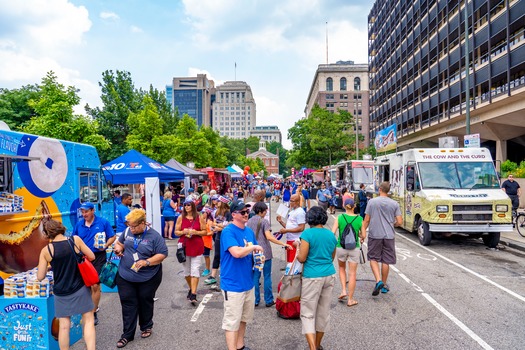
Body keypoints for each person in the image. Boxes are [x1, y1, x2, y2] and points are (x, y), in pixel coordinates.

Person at [37, 220, 96, 350]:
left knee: (64, 326)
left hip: (61, 292)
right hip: (80, 287)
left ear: (47, 234)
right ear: (61, 228)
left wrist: (49, 266)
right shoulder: (75, 240)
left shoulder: (46, 250)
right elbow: (91, 256)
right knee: (88, 320)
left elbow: (40, 277)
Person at [113, 209, 168, 348]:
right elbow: (119, 243)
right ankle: (127, 335)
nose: (131, 229)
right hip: (125, 274)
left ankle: (146, 326)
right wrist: (118, 249)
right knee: (128, 303)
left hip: (148, 277)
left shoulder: (155, 236)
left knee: (145, 300)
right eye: (130, 226)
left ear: (143, 223)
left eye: (134, 226)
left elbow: (162, 254)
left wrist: (147, 262)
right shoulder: (127, 232)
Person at [220, 200, 263, 350]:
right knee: (232, 321)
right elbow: (236, 252)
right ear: (233, 215)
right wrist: (254, 248)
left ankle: (240, 346)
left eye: (247, 212)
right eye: (243, 212)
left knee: (244, 318)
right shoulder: (228, 231)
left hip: (248, 281)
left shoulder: (249, 231)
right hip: (232, 284)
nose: (246, 214)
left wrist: (258, 257)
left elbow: (252, 252)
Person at [296, 206, 337, 350]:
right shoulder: (331, 235)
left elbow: (302, 258)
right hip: (329, 274)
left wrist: (298, 248)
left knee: (308, 313)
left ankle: (312, 347)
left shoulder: (307, 234)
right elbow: (332, 257)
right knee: (323, 312)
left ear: (309, 219)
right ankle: (318, 345)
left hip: (312, 276)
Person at [72, 202, 116, 326]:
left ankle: (93, 312)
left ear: (92, 210)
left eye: (86, 211)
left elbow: (112, 236)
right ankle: (86, 309)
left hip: (98, 256)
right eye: (82, 211)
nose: (84, 214)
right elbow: (73, 239)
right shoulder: (79, 224)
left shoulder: (103, 222)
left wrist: (106, 245)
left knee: (95, 285)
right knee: (85, 285)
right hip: (83, 258)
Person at [246, 202, 292, 307]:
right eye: (265, 210)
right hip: (265, 252)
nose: (266, 212)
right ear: (261, 211)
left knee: (255, 276)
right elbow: (269, 237)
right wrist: (282, 243)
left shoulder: (248, 221)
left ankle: (255, 300)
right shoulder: (264, 221)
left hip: (253, 251)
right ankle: (268, 300)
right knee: (267, 276)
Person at [362, 182, 402, 296]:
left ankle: (378, 280)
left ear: (379, 189)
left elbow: (366, 220)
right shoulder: (394, 203)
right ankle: (384, 285)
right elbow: (399, 221)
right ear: (388, 191)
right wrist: (391, 224)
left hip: (375, 234)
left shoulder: (372, 202)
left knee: (373, 258)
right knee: (386, 260)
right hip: (389, 235)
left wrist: (362, 233)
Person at [331, 198, 366, 307]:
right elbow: (363, 235)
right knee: (352, 274)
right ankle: (350, 299)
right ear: (354, 206)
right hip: (354, 248)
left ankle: (343, 291)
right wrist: (359, 236)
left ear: (344, 206)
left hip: (341, 247)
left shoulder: (340, 217)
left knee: (341, 268)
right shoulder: (360, 219)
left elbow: (333, 232)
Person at [174, 200, 207, 304]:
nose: (187, 207)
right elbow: (176, 232)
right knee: (186, 272)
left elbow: (205, 231)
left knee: (195, 270)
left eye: (188, 205)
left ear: (193, 206)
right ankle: (190, 288)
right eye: (185, 205)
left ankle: (193, 293)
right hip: (184, 246)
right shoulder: (181, 217)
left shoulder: (199, 217)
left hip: (197, 246)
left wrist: (195, 232)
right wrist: (183, 231)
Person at [205, 200, 233, 286]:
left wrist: (220, 227)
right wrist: (217, 226)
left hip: (225, 235)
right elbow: (214, 223)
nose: (216, 202)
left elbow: (230, 225)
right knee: (217, 255)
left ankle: (226, 274)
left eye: (218, 201)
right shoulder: (216, 212)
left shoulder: (228, 213)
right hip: (218, 235)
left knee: (226, 255)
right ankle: (213, 276)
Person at [276, 194, 306, 263]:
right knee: (289, 261)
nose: (290, 202)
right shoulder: (292, 211)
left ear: (298, 202)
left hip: (295, 240)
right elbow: (290, 226)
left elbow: (301, 228)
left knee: (293, 263)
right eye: (290, 200)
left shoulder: (300, 212)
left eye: (292, 201)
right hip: (289, 240)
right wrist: (281, 222)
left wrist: (286, 230)